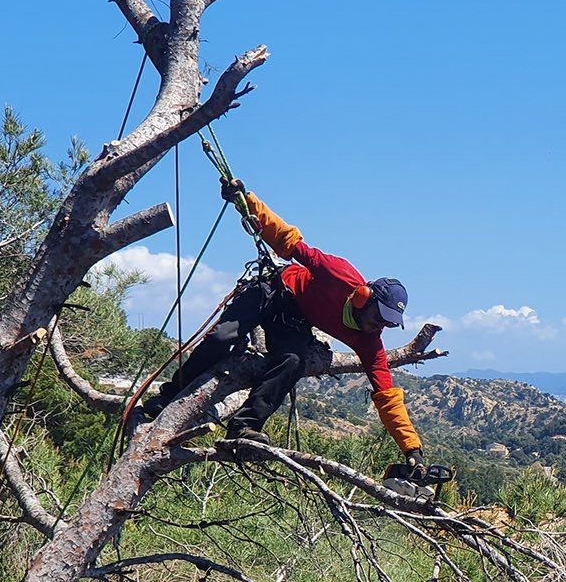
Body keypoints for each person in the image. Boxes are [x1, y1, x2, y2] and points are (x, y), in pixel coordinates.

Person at [138, 178, 424, 474]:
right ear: (363, 298)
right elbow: (289, 240)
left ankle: (243, 428)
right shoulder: (339, 275)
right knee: (223, 337)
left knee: (292, 361)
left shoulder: (369, 341)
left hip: (293, 320)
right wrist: (246, 201)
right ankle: (168, 396)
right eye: (381, 317)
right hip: (274, 291)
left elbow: (387, 396)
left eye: (390, 324)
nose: (381, 327)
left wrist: (411, 449)